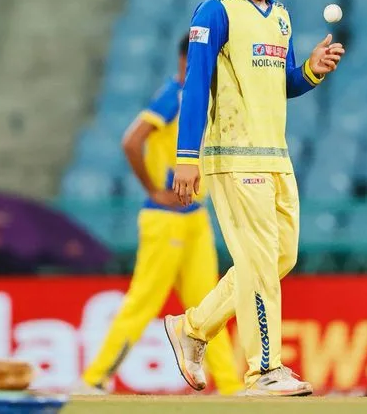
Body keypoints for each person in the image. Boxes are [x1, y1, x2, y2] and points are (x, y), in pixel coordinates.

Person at [164, 0, 345, 396]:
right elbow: (195, 86)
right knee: (260, 261)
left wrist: (312, 70)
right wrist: (187, 158)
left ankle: (193, 328)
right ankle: (264, 370)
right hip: (234, 156)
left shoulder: (280, 17)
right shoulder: (215, 12)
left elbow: (281, 84)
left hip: (275, 155)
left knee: (279, 257)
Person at [76, 35, 243, 396]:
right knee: (143, 302)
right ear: (187, 59)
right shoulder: (175, 95)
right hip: (165, 220)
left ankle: (231, 388)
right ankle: (94, 379)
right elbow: (131, 140)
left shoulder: (199, 97)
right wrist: (154, 190)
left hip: (195, 218)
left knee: (208, 309)